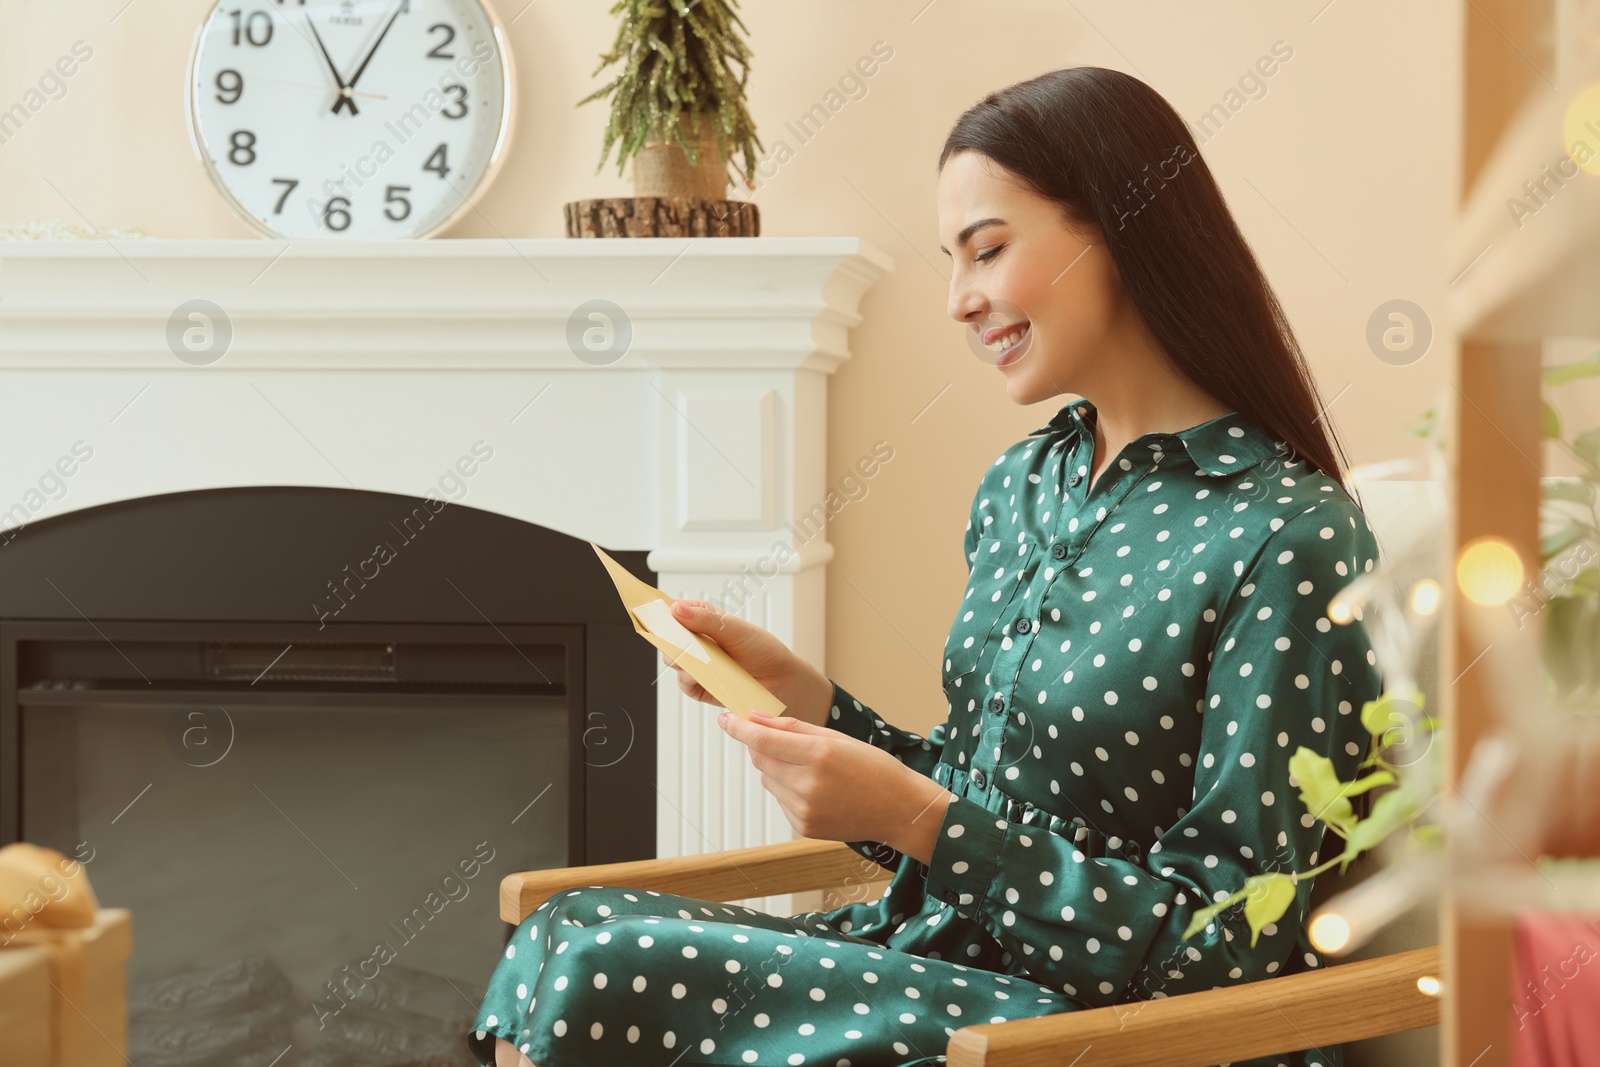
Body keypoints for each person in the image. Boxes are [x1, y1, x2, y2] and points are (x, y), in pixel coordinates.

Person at [467, 65, 1383, 1067]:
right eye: (952, 260)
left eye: (986, 250)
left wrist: (915, 817)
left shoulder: (1286, 537)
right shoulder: (1026, 483)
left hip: (1089, 1026)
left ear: (1122, 228)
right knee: (568, 925)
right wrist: (810, 705)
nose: (957, 301)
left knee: (604, 969)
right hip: (934, 962)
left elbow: (1233, 941)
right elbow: (970, 798)